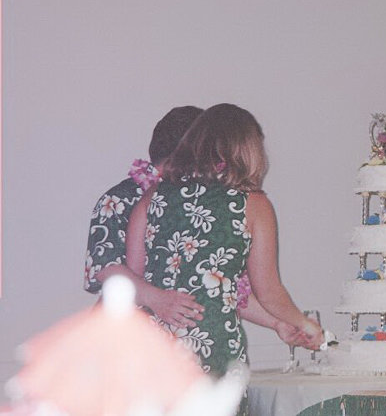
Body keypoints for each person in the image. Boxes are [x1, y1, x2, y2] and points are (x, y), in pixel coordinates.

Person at [124, 103, 323, 385]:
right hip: (213, 348)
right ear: (247, 149)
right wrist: (305, 324)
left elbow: (132, 282)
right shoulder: (253, 205)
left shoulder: (152, 198)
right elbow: (268, 290)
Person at [86, 106, 304, 345]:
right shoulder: (123, 199)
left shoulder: (211, 202)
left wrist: (277, 323)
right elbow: (107, 270)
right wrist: (157, 299)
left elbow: (220, 287)